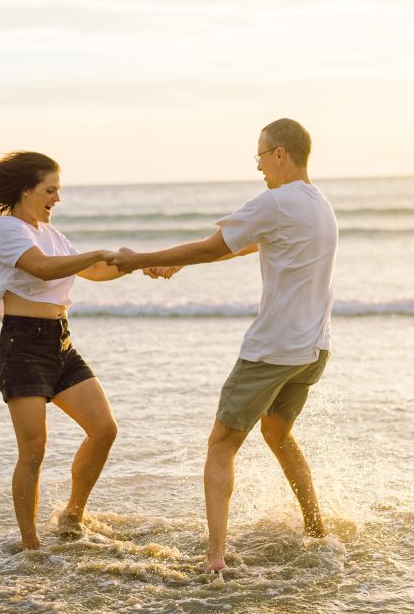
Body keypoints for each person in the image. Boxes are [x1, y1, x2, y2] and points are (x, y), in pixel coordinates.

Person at [110, 118, 338, 573]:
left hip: (272, 349)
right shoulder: (318, 204)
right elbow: (255, 244)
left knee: (221, 444)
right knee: (277, 432)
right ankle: (317, 530)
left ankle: (214, 557)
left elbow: (213, 247)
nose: (257, 167)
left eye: (260, 155)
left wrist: (141, 260)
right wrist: (179, 266)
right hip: (313, 348)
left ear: (279, 153)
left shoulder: (276, 201)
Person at [0, 150, 126, 551]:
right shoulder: (8, 229)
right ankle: (30, 545)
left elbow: (95, 271)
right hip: (23, 345)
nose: (57, 199)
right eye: (50, 190)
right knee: (34, 450)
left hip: (60, 343)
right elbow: (44, 268)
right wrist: (98, 252)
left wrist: (144, 262)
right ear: (26, 190)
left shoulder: (52, 233)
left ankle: (72, 515)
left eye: (58, 191)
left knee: (104, 429)